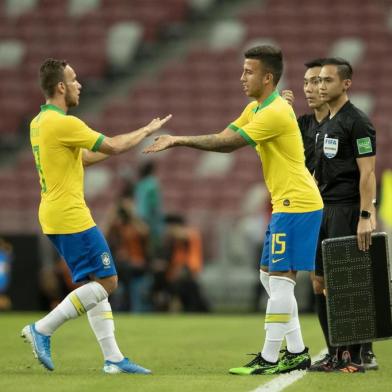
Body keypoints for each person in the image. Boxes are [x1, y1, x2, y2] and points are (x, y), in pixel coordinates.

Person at [144, 45, 324, 375]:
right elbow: (225, 133)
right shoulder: (259, 108)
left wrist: (178, 140)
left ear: (267, 77)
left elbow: (228, 144)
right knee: (268, 277)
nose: (242, 77)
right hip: (285, 203)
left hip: (298, 203)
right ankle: (296, 351)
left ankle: (270, 358)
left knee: (281, 281)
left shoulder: (272, 113)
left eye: (249, 72)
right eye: (242, 70)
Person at [22, 58, 171, 374]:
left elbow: (84, 158)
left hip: (53, 213)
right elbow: (114, 146)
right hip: (69, 214)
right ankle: (42, 329)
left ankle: (113, 358)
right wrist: (145, 130)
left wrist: (114, 148)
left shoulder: (39, 122)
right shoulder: (65, 123)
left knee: (96, 280)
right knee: (108, 282)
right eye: (74, 79)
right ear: (60, 86)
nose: (79, 85)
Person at [310, 57, 377, 373]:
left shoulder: (358, 122)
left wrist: (366, 214)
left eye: (327, 80)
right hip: (322, 211)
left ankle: (352, 356)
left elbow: (368, 173)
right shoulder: (325, 124)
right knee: (320, 282)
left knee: (344, 283)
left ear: (346, 84)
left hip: (346, 210)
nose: (321, 85)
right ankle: (335, 352)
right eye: (319, 80)